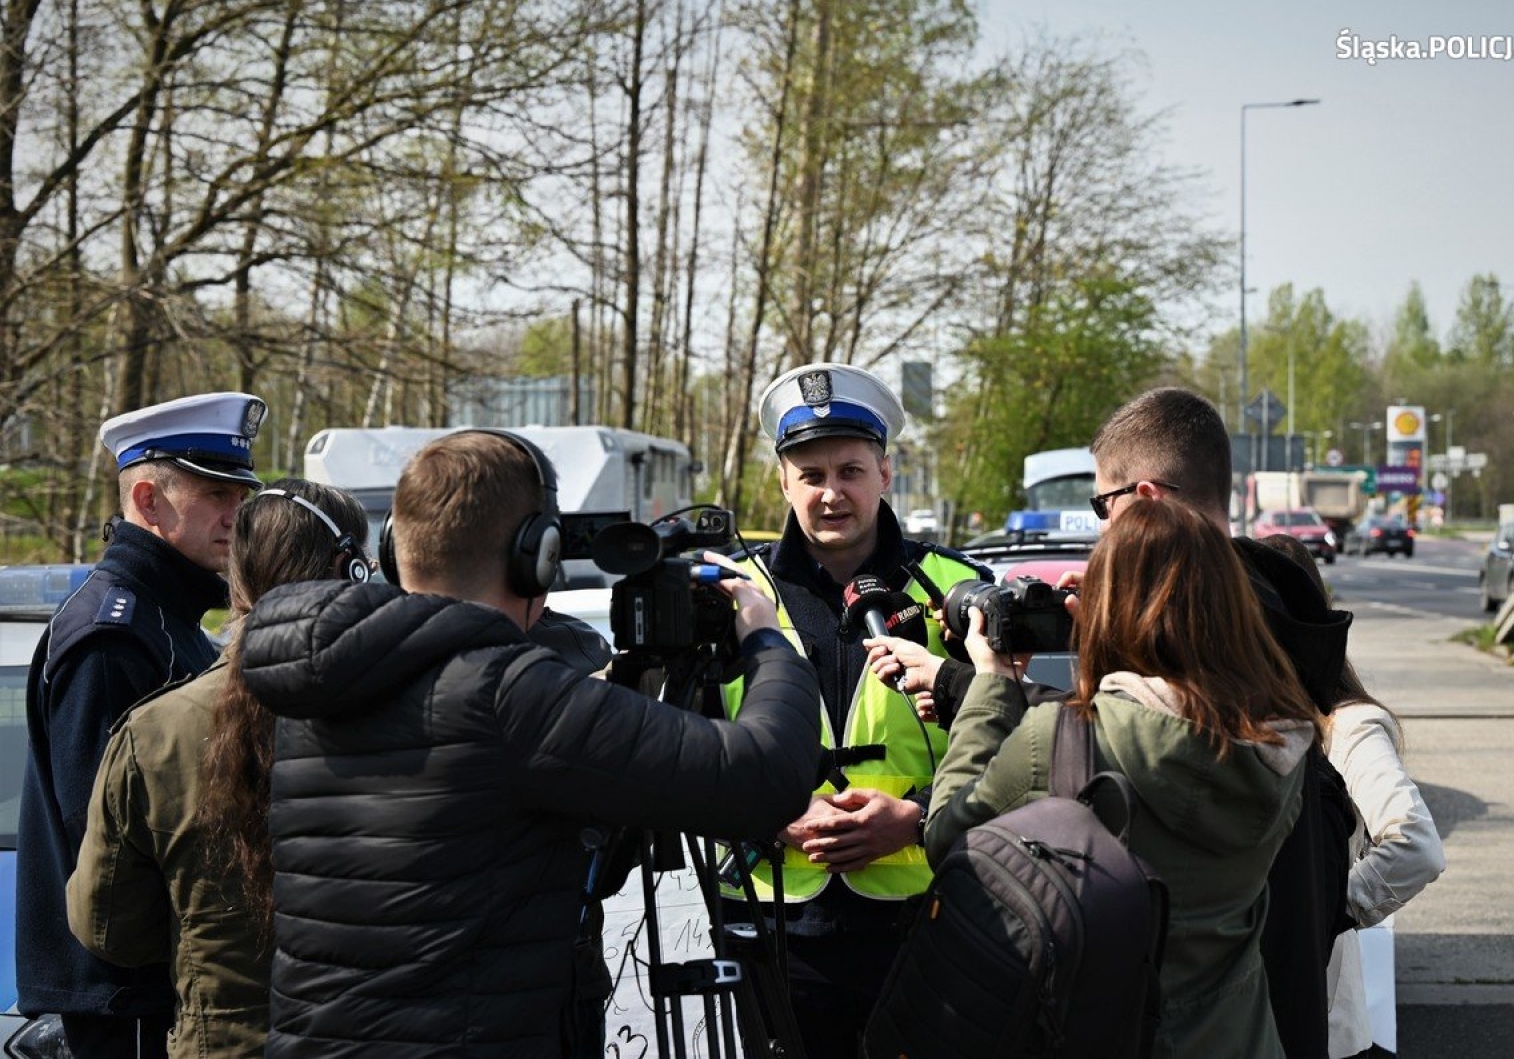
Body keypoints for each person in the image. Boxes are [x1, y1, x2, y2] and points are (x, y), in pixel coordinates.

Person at [234, 429, 821, 1057]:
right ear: (536, 556)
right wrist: (766, 639)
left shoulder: (323, 684)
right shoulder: (505, 694)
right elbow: (765, 777)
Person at [926, 497, 1325, 1058]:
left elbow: (946, 836)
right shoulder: (1280, 741)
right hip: (1239, 1037)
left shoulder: (1060, 737)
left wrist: (992, 684)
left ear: (1112, 608)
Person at [717, 363, 991, 1058]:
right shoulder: (728, 596)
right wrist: (772, 812)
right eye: (811, 474)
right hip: (774, 922)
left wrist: (918, 817)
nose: (831, 492)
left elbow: (1015, 747)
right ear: (783, 480)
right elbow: (690, 746)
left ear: (886, 472)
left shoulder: (959, 589)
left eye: (850, 470)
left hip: (926, 916)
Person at [1085, 386, 1357, 1059]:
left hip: (1214, 1017)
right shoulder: (1271, 608)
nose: (1100, 528)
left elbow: (1132, 781)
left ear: (1145, 497)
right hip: (1279, 1000)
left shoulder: (1198, 634)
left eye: (1103, 505)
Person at [63, 479, 370, 1059]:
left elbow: (109, 930)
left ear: (239, 578)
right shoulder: (425, 712)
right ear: (349, 569)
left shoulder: (156, 732)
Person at [16, 391, 267, 1058]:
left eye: (241, 494)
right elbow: (105, 843)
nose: (235, 513)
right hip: (125, 993)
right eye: (216, 492)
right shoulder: (113, 636)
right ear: (150, 502)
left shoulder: (165, 617)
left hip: (152, 985)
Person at [1257, 534, 1446, 1059]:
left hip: (1322, 1024)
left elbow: (1416, 845)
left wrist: (1322, 907)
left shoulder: (1349, 726)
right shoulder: (1262, 719)